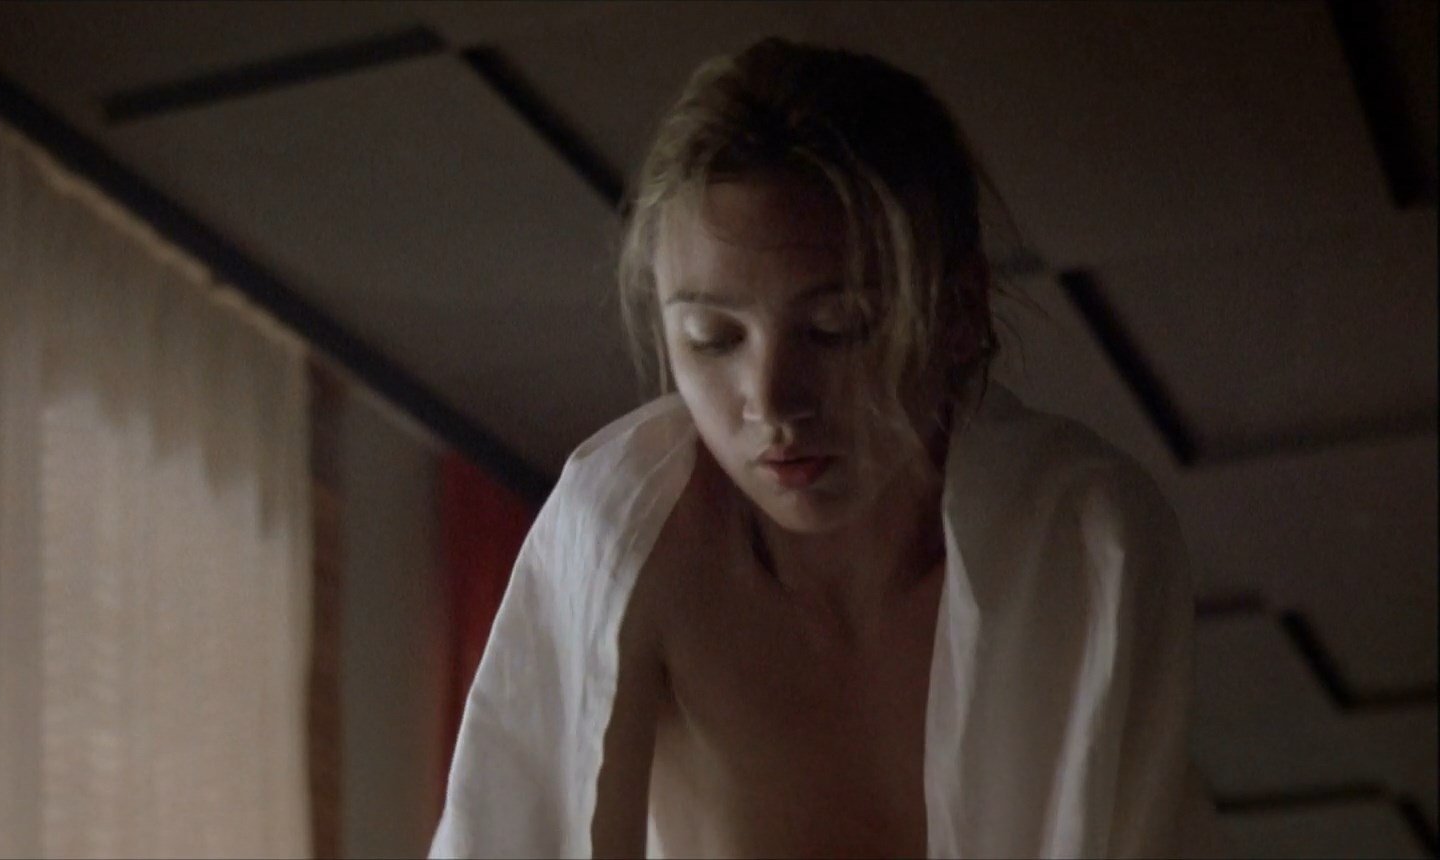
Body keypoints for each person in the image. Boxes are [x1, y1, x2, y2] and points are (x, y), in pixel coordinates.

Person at [429, 38, 1227, 859]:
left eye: (838, 327)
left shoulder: (1085, 543)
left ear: (958, 312)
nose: (772, 401)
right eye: (712, 338)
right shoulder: (630, 545)